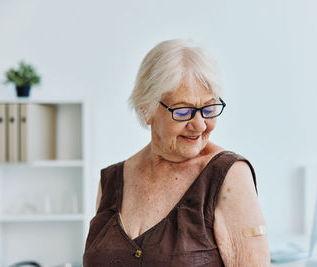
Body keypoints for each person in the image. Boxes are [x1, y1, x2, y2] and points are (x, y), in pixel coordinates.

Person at [83, 39, 270, 266]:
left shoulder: (229, 176)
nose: (200, 125)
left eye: (209, 108)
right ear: (146, 109)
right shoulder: (112, 181)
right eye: (183, 111)